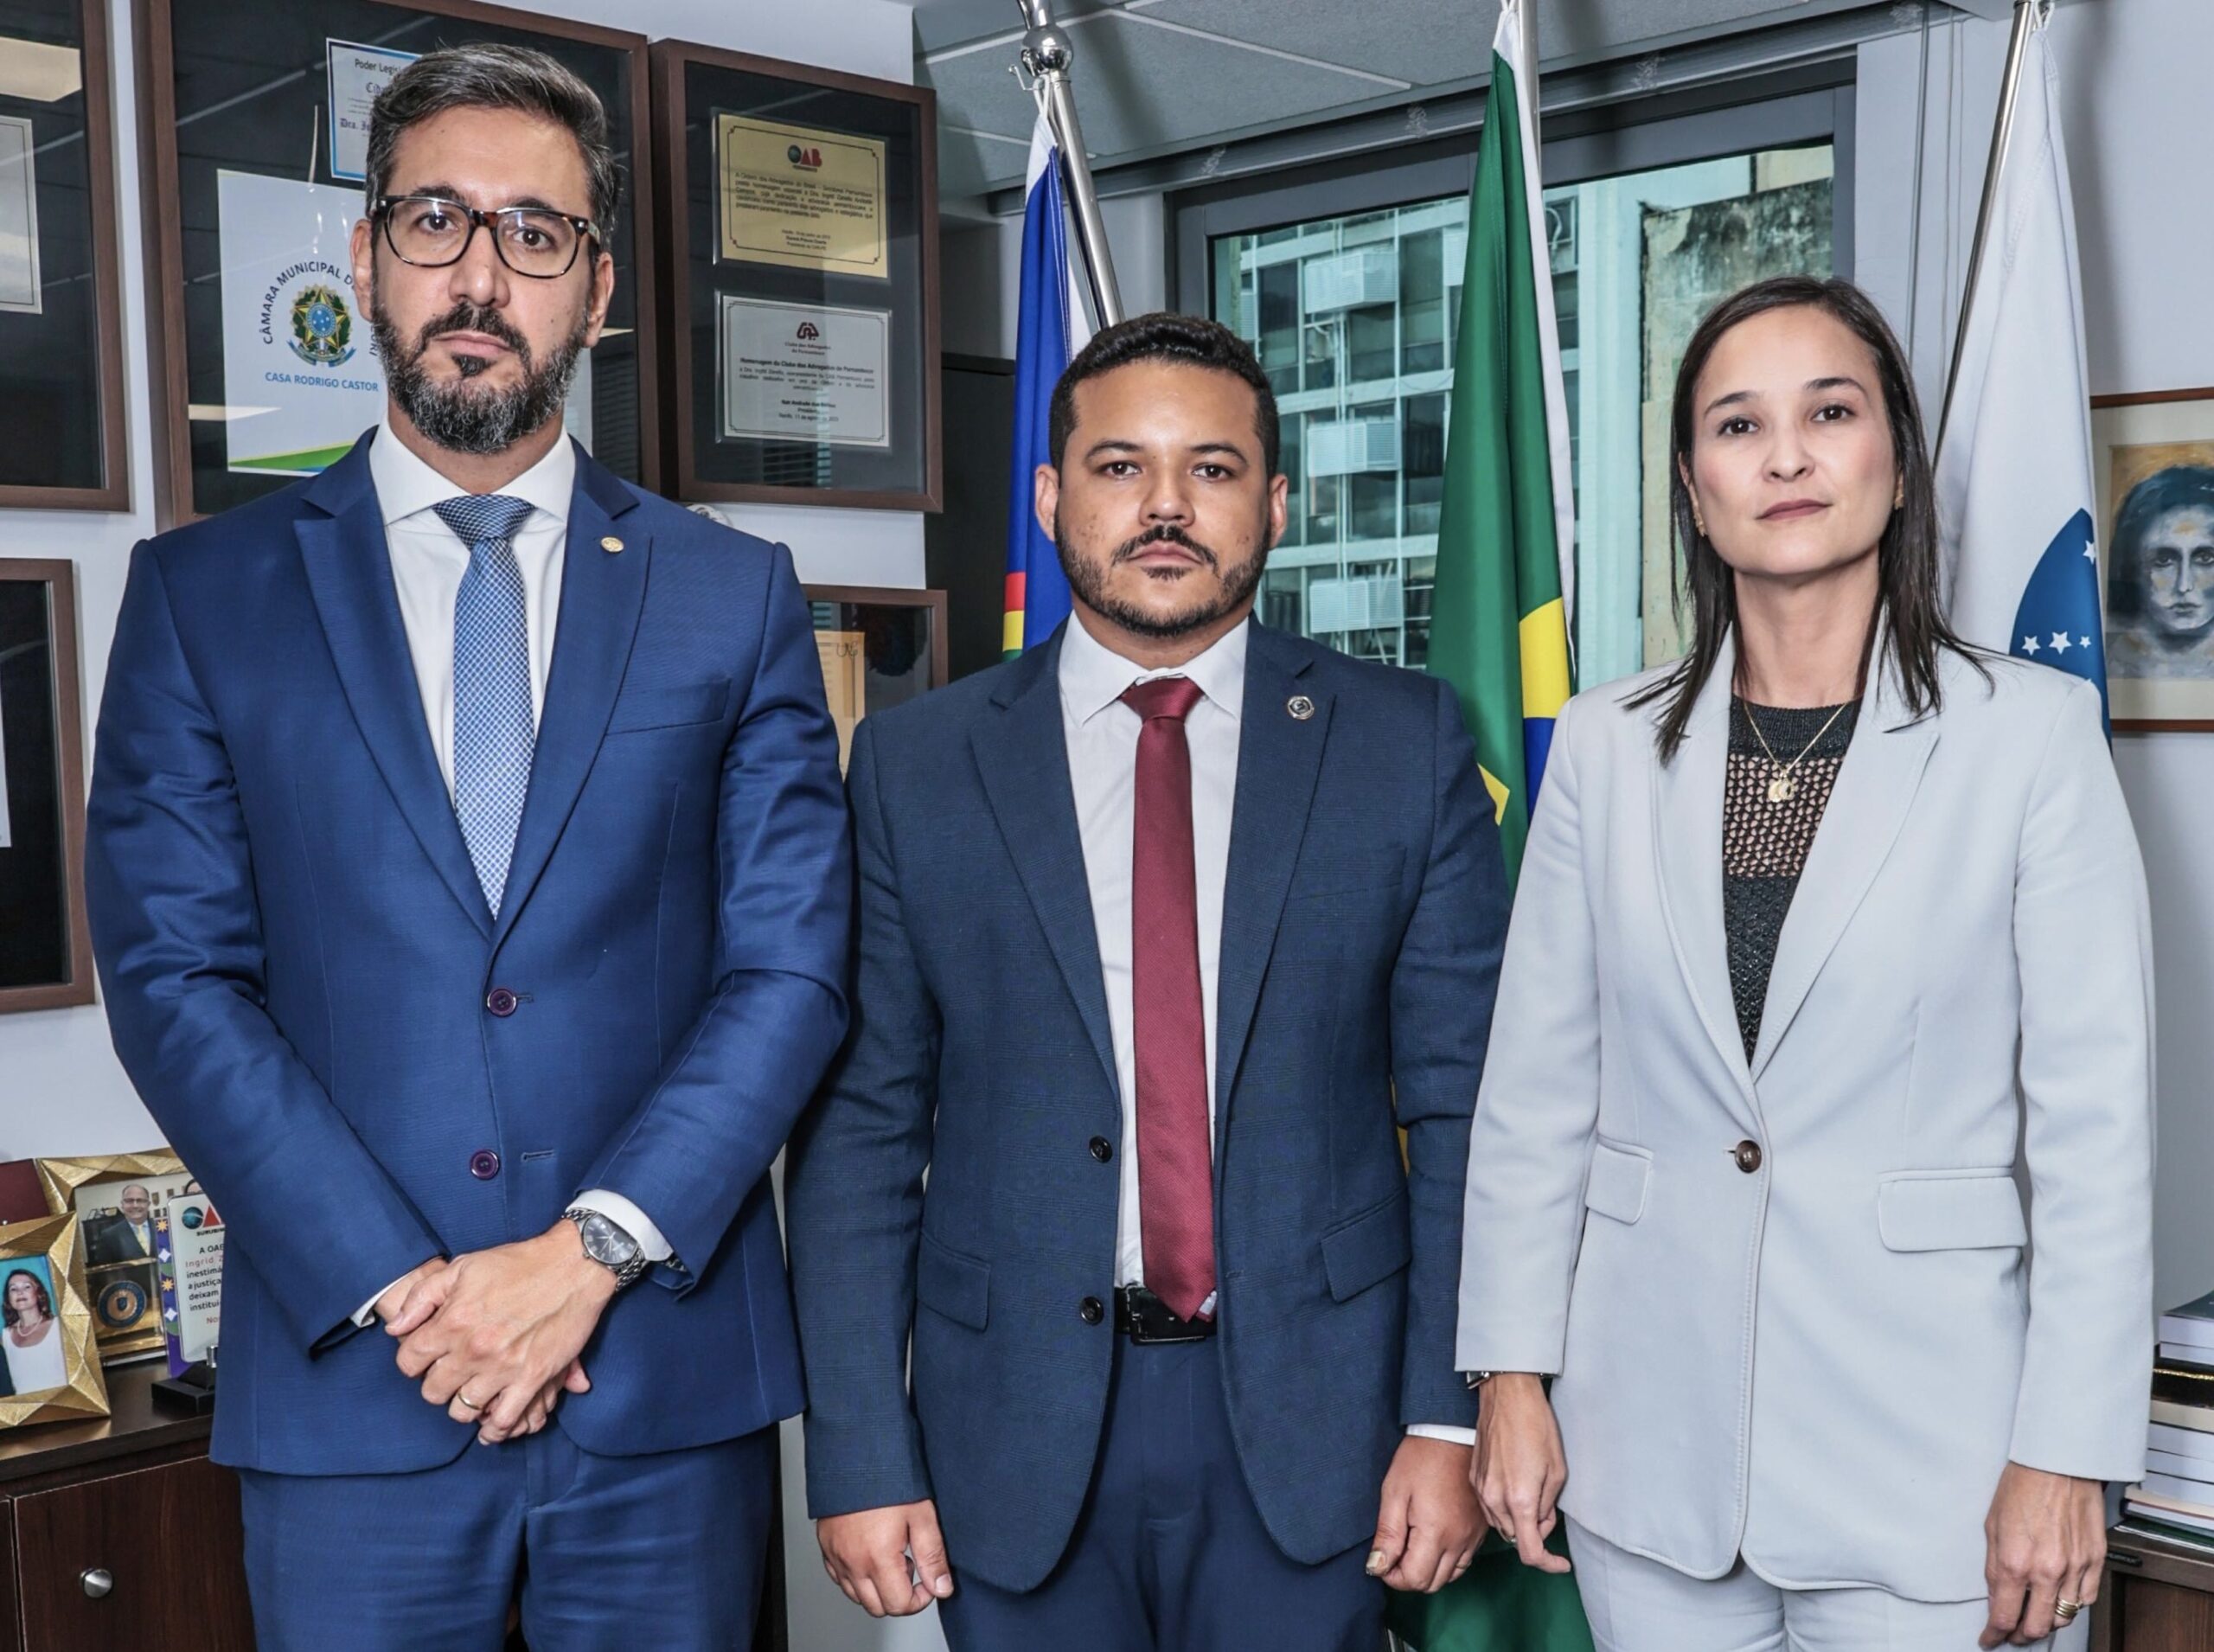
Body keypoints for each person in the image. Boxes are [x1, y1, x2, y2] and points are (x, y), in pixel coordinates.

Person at [86, 44, 849, 1649]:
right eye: (435, 220)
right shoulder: (203, 597)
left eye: (535, 232)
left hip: (658, 1388)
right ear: (365, 256)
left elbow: (790, 970)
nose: (481, 276)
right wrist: (410, 1294)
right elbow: (173, 976)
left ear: (598, 289)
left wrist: (587, 1256)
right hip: (359, 1389)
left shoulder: (733, 595)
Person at [1456, 275, 2154, 1651]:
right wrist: (1510, 1372)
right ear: (1693, 486)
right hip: (1647, 1457)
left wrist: (2069, 1447)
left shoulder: (2028, 738)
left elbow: (2097, 1131)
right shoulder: (1603, 745)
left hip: (1941, 1470)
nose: (1786, 456)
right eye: (1738, 424)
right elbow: (1535, 1092)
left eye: (1829, 412)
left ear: (1896, 457)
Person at [788, 312, 1505, 1651]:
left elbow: (1470, 1109)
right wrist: (861, 1447)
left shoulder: (1400, 744)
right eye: (1120, 466)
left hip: (1319, 1425)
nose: (1165, 506)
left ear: (1275, 503)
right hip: (1013, 1427)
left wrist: (1447, 1412)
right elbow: (864, 1130)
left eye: (1212, 469)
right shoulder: (918, 766)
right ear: (1050, 496)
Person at [2105, 464, 2214, 676]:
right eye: (2163, 560)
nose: (2184, 585)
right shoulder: (2103, 659)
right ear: (2133, 564)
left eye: (2205, 558)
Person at [3, 1268, 67, 1396]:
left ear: (39, 1293)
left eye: (27, 1287)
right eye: (13, 1289)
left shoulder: (59, 1327)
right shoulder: (5, 1336)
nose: (20, 1292)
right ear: (8, 1298)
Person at [87, 1182, 155, 1264]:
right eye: (129, 1201)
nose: (135, 1205)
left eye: (140, 1200)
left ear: (148, 1204)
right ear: (122, 1205)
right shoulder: (109, 1236)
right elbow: (106, 1269)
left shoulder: (164, 1227)